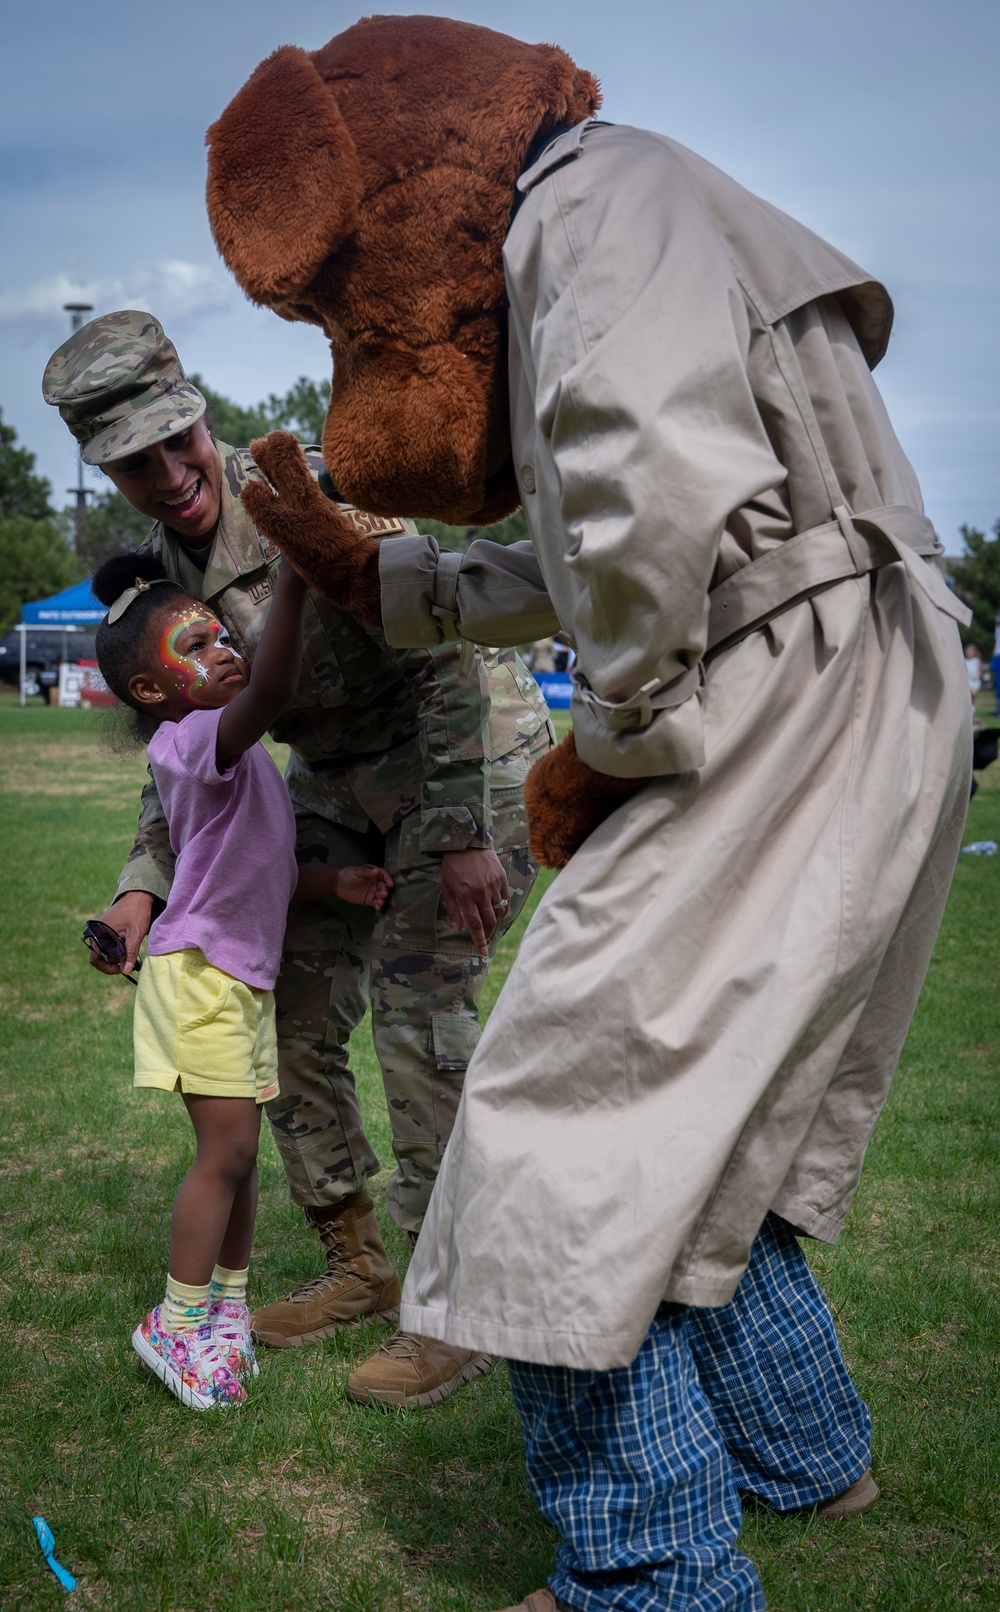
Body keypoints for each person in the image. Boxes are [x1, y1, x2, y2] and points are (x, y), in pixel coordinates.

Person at [206, 18, 973, 1606]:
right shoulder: (629, 217)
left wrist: (613, 744)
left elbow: (643, 514)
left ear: (402, 177)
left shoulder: (588, 206)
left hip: (767, 685)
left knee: (551, 1133)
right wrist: (382, 571)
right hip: (840, 665)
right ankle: (805, 1456)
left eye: (346, 297)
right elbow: (609, 532)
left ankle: (648, 1573)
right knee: (699, 1121)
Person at [43, 309, 551, 1409]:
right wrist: (141, 887)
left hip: (456, 753)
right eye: (135, 463)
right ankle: (356, 1260)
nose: (170, 474)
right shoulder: (159, 571)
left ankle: (452, 1307)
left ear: (199, 414)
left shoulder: (305, 491)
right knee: (282, 1013)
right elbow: (181, 758)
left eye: (177, 441)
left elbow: (444, 649)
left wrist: (460, 836)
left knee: (422, 1017)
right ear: (107, 468)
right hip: (333, 783)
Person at [86, 547, 393, 1409]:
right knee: (223, 1153)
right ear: (154, 691)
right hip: (201, 978)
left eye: (224, 634)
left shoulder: (243, 760)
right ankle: (174, 1326)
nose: (223, 648)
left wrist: (336, 883)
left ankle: (225, 1311)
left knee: (242, 1157)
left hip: (239, 980)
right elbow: (269, 691)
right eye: (197, 644)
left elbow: (264, 865)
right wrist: (293, 581)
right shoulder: (192, 744)